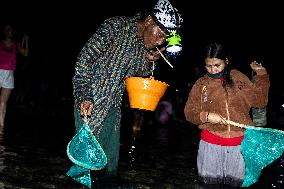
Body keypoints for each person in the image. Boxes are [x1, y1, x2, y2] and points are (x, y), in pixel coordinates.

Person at [67, 0, 183, 188]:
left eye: (166, 38)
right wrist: (84, 95)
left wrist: (151, 62)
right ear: (148, 21)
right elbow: (83, 60)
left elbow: (138, 76)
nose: (161, 41)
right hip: (90, 103)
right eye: (160, 34)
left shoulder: (144, 47)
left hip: (113, 107)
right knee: (83, 167)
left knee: (109, 166)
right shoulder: (115, 26)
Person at [184, 42, 270, 188]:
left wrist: (261, 74)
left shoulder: (238, 78)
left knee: (235, 185)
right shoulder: (201, 84)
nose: (212, 70)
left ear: (227, 61)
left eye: (217, 65)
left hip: (239, 146)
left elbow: (260, 101)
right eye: (208, 66)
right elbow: (189, 112)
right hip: (210, 145)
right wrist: (205, 116)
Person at [0, 24, 29, 127]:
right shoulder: (0, 43)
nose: (9, 31)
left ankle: (1, 124)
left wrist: (26, 40)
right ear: (4, 32)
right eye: (7, 29)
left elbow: (25, 53)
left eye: (10, 30)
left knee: (3, 102)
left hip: (9, 74)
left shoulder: (15, 45)